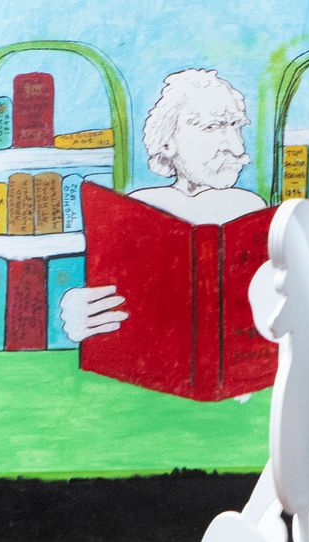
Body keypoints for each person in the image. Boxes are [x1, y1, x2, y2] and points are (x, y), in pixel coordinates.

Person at [58, 68, 266, 343]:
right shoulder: (137, 208)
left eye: (236, 126)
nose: (237, 148)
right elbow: (109, 290)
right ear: (168, 143)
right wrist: (82, 309)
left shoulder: (253, 207)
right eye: (212, 127)